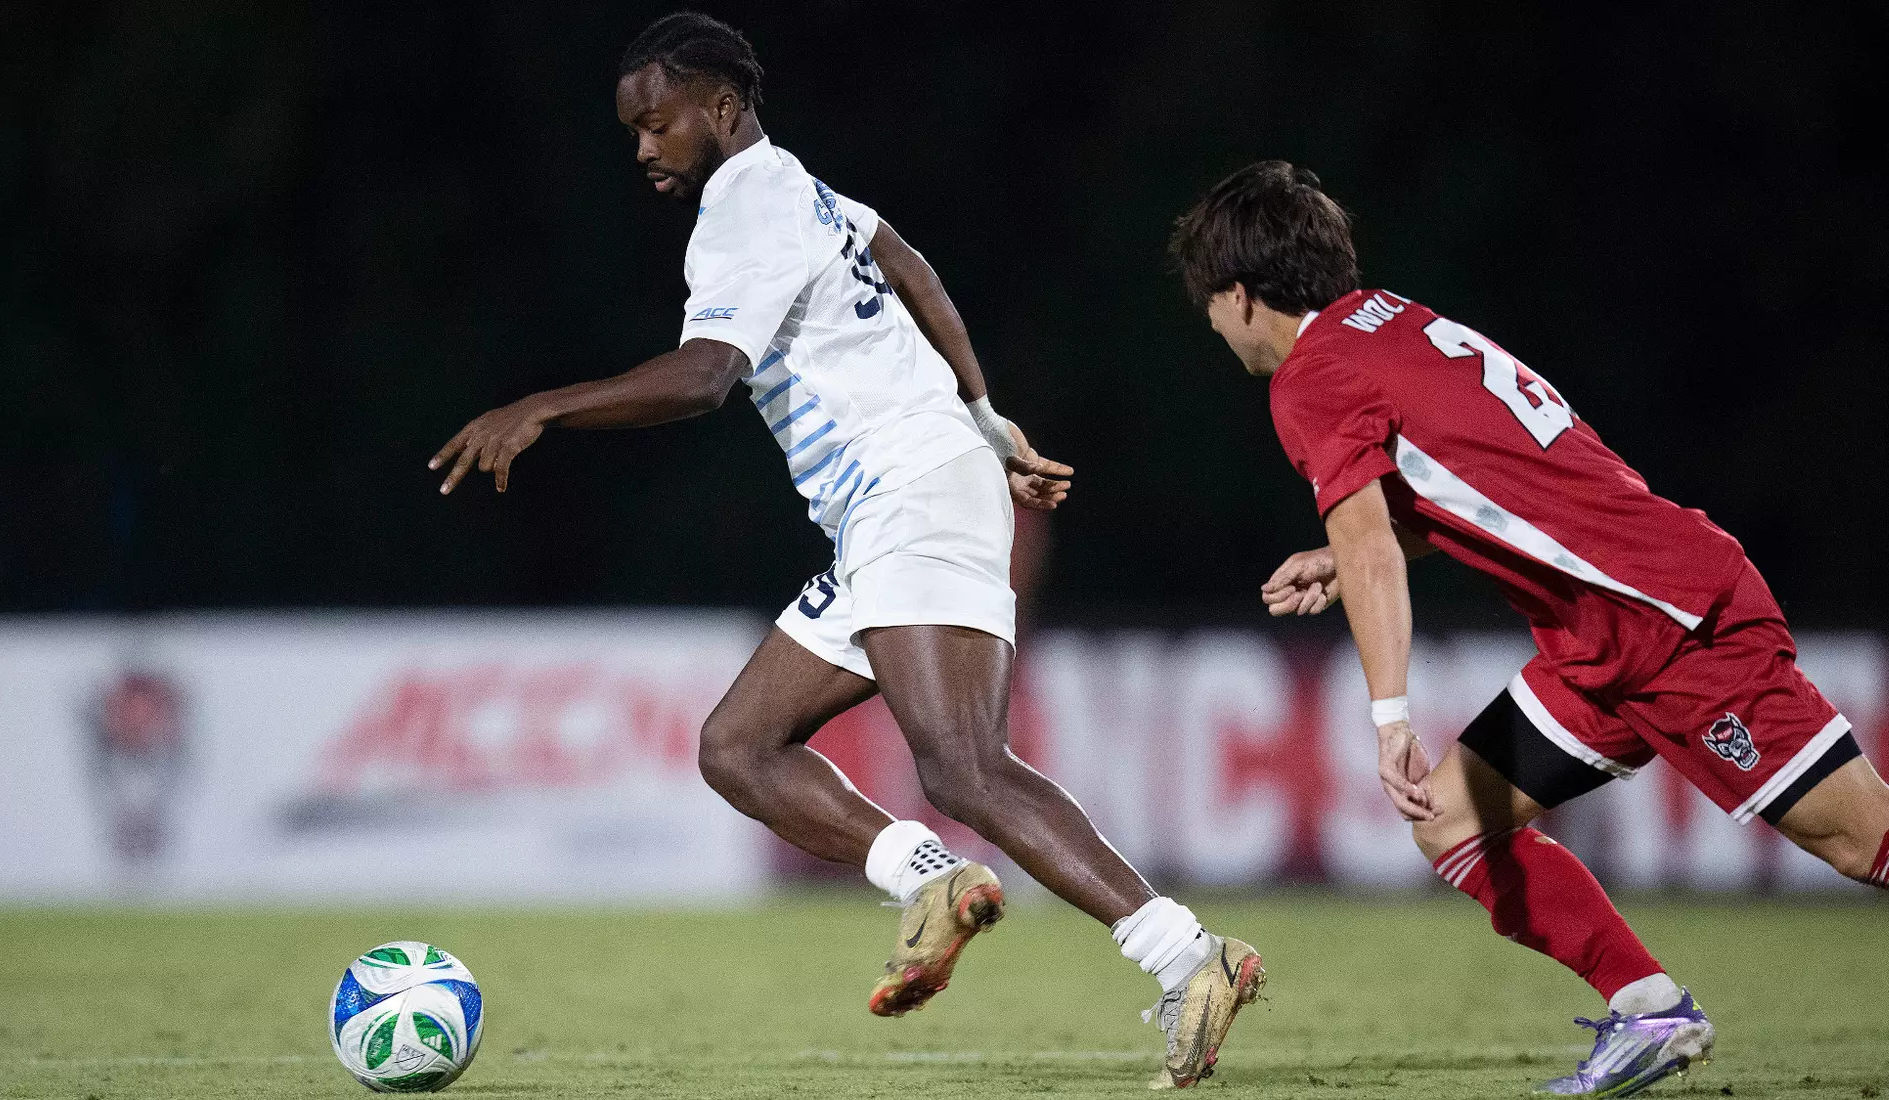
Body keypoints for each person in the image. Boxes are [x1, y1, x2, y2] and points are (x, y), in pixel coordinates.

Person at [431, 13, 1262, 1087]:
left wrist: (543, 407)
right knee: (738, 743)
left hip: (908, 490)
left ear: (720, 109)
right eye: (633, 128)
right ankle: (930, 879)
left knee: (964, 763)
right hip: (891, 503)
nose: (642, 144)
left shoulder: (743, 205)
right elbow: (909, 265)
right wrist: (985, 415)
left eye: (656, 121)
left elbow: (707, 376)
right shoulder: (799, 189)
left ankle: (1191, 956)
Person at [1169, 160, 1889, 1098]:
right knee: (1454, 823)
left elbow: (1379, 552)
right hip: (1597, 644)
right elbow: (1481, 483)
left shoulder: (1310, 377)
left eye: (1212, 309)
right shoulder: (1392, 321)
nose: (1217, 330)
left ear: (1241, 293)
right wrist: (1342, 553)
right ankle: (1650, 1009)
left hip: (1673, 625)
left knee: (1863, 843)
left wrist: (1389, 715)